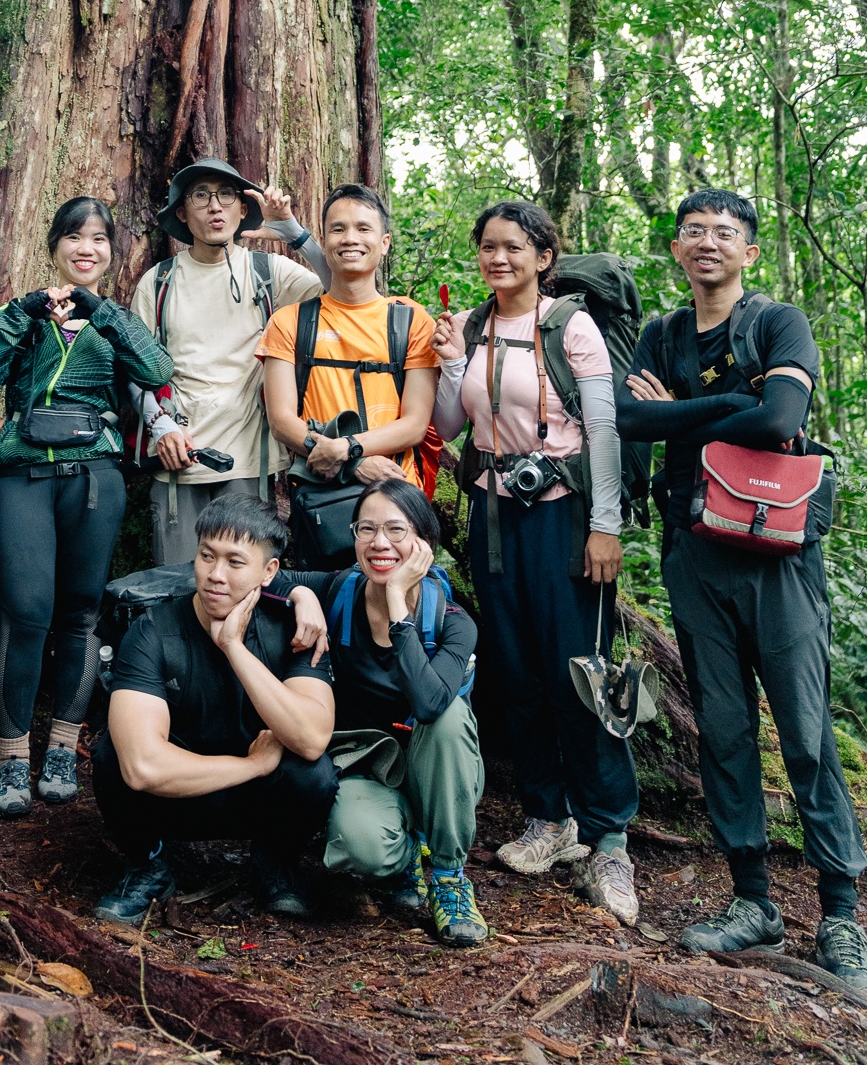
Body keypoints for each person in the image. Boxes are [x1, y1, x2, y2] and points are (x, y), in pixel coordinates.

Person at [618, 189, 865, 983]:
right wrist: (733, 403)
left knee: (803, 731)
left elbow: (778, 418)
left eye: (723, 233)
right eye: (692, 232)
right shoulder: (659, 334)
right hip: (694, 551)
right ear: (676, 249)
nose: (706, 243)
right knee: (723, 732)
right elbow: (629, 424)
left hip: (779, 556)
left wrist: (686, 412)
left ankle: (838, 915)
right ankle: (751, 902)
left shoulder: (775, 323)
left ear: (747, 252)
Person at [431, 199, 639, 925]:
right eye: (487, 247)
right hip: (493, 513)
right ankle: (547, 820)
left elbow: (604, 427)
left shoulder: (568, 325)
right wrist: (449, 357)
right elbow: (450, 425)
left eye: (513, 248)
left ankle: (609, 835)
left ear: (544, 257)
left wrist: (604, 526)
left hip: (562, 514)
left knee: (581, 673)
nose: (498, 259)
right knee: (517, 674)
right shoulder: (471, 326)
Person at [0, 196, 177, 818]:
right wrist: (21, 317)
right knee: (26, 610)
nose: (86, 249)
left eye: (98, 240)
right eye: (74, 238)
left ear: (111, 252)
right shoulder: (21, 314)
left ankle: (63, 747)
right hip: (25, 474)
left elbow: (158, 369)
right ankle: (11, 755)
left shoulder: (115, 318)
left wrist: (104, 315)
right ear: (54, 245)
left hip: (95, 476)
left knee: (81, 614)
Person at [91, 493, 337, 922]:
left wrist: (233, 647)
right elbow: (142, 768)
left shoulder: (293, 630)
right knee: (114, 754)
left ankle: (273, 864)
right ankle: (149, 865)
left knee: (313, 773)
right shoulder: (154, 629)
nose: (215, 576)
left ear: (269, 572)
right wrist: (252, 766)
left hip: (256, 802)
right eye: (206, 557)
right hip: (177, 793)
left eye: (235, 562)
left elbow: (313, 738)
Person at [268, 477, 487, 946]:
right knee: (359, 847)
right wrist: (303, 596)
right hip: (367, 764)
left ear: (423, 544)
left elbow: (429, 702)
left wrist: (397, 605)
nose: (379, 543)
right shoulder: (340, 591)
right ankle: (408, 855)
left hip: (440, 768)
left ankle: (448, 877)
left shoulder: (454, 622)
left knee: (446, 715)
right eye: (366, 530)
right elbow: (265, 576)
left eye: (395, 530)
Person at [130, 160, 326, 565]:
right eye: (201, 195)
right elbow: (135, 367)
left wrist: (294, 232)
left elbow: (343, 283)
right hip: (177, 459)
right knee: (177, 589)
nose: (215, 206)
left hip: (249, 462)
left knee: (241, 585)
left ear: (241, 210)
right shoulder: (159, 281)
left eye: (227, 195)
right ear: (182, 213)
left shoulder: (267, 272)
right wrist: (158, 424)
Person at [260, 185, 441, 560]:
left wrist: (346, 447)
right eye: (339, 229)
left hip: (397, 496)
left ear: (385, 242)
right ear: (324, 241)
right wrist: (354, 463)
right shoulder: (291, 321)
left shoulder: (410, 320)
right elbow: (280, 420)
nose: (351, 239)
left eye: (363, 228)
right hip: (321, 501)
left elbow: (415, 424)